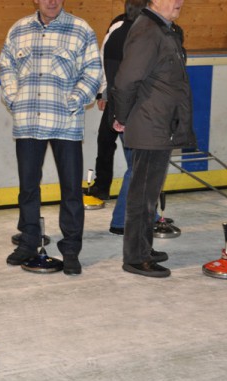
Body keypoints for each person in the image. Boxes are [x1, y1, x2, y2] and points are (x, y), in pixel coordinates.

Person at [0, 0, 102, 275]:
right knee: (28, 188)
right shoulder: (18, 30)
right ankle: (28, 242)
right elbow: (6, 65)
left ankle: (70, 250)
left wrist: (73, 100)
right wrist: (13, 97)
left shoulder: (81, 30)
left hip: (65, 122)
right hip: (28, 121)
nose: (52, 1)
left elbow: (93, 72)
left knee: (71, 190)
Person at [111, 0, 196, 278]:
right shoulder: (148, 30)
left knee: (148, 193)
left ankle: (143, 248)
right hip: (149, 126)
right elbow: (126, 80)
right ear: (154, 1)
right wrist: (122, 117)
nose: (179, 2)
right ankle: (136, 258)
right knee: (142, 196)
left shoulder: (163, 29)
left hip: (158, 125)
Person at [89, 0, 149, 235]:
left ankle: (145, 214)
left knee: (140, 165)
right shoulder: (130, 34)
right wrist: (104, 93)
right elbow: (118, 75)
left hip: (125, 108)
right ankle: (122, 220)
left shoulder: (128, 31)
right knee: (138, 166)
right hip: (131, 110)